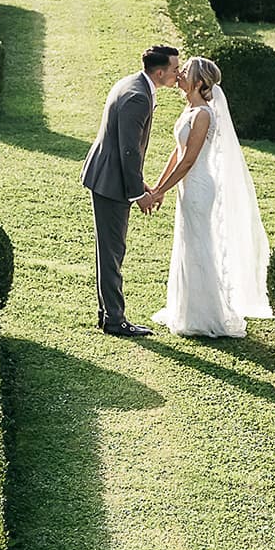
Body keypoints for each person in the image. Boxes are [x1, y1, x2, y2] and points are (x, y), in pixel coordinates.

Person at [139, 55, 272, 339]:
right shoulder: (189, 109)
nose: (179, 76)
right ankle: (186, 308)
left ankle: (207, 315)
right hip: (187, 187)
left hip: (199, 186)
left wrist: (162, 191)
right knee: (188, 243)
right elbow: (176, 153)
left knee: (200, 246)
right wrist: (157, 188)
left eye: (185, 73)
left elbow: (188, 161)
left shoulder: (203, 115)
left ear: (199, 82)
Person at [82, 44, 181, 339]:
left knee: (109, 250)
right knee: (113, 251)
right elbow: (128, 151)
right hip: (111, 182)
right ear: (160, 72)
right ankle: (115, 320)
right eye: (175, 69)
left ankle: (107, 314)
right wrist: (138, 194)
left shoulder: (133, 82)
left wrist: (140, 185)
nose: (179, 73)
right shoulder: (138, 96)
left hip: (109, 177)